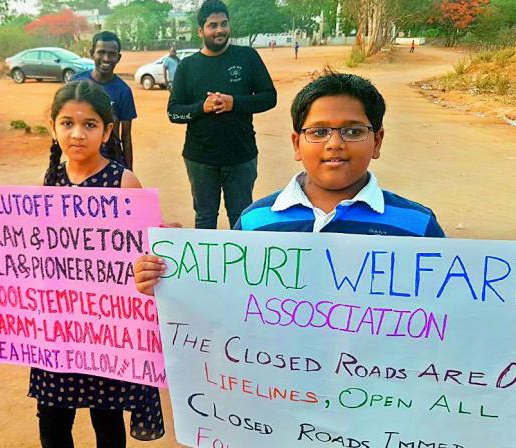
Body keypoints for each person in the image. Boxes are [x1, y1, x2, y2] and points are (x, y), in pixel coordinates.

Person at [135, 71, 446, 295]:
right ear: (297, 144)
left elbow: (451, 316)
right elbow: (225, 301)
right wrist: (171, 279)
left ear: (377, 141)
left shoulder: (417, 227)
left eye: (353, 131)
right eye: (319, 131)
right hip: (279, 384)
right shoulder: (256, 223)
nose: (335, 143)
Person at [29, 80, 165, 448]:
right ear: (53, 127)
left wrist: (165, 245)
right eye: (67, 123)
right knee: (53, 419)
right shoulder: (50, 182)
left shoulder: (124, 182)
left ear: (107, 131)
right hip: (58, 327)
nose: (77, 134)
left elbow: (142, 255)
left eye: (89, 125)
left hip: (105, 329)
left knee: (107, 419)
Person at [167, 0, 277, 229]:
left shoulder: (247, 57)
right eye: (212, 25)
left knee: (240, 216)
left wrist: (234, 103)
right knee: (205, 217)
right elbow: (173, 112)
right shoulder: (188, 66)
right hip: (200, 159)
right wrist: (201, 107)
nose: (219, 30)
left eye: (223, 24)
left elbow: (269, 97)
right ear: (201, 31)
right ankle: (207, 266)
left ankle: (240, 264)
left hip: (241, 155)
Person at [71, 31, 137, 169]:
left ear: (118, 57)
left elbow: (126, 136)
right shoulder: (75, 83)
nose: (106, 58)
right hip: (80, 158)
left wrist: (129, 172)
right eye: (101, 52)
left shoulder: (123, 91)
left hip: (112, 161)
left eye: (112, 54)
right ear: (92, 53)